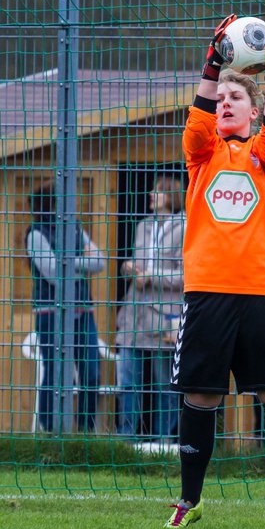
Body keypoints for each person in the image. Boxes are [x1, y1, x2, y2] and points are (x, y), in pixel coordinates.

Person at [165, 15, 265, 529]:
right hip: (209, 292)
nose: (226, 104)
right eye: (222, 99)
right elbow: (194, 126)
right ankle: (190, 499)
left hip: (263, 293)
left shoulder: (264, 157)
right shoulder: (202, 154)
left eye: (238, 98)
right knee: (201, 396)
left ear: (255, 112)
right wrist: (212, 66)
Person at [25, 183, 104, 433]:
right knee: (57, 373)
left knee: (91, 373)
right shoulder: (36, 234)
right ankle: (51, 430)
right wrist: (79, 264)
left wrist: (69, 262)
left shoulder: (75, 229)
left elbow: (100, 262)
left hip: (83, 313)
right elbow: (52, 274)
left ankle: (85, 431)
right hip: (51, 313)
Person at [115, 176, 186, 441]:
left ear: (172, 196)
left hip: (164, 318)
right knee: (127, 382)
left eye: (158, 191)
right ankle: (126, 439)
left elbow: (186, 276)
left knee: (163, 385)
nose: (151, 194)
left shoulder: (186, 227)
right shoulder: (143, 225)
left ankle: (163, 441)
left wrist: (151, 275)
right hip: (133, 314)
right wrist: (128, 268)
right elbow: (135, 262)